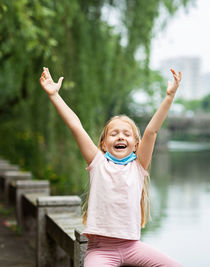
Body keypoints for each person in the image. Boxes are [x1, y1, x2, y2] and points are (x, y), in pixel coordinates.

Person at [39, 67, 183, 267]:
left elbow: (151, 131)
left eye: (126, 134)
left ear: (135, 144)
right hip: (100, 250)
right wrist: (54, 95)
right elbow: (75, 126)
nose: (121, 136)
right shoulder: (98, 163)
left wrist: (169, 97)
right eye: (114, 134)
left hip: (133, 247)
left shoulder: (138, 166)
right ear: (104, 144)